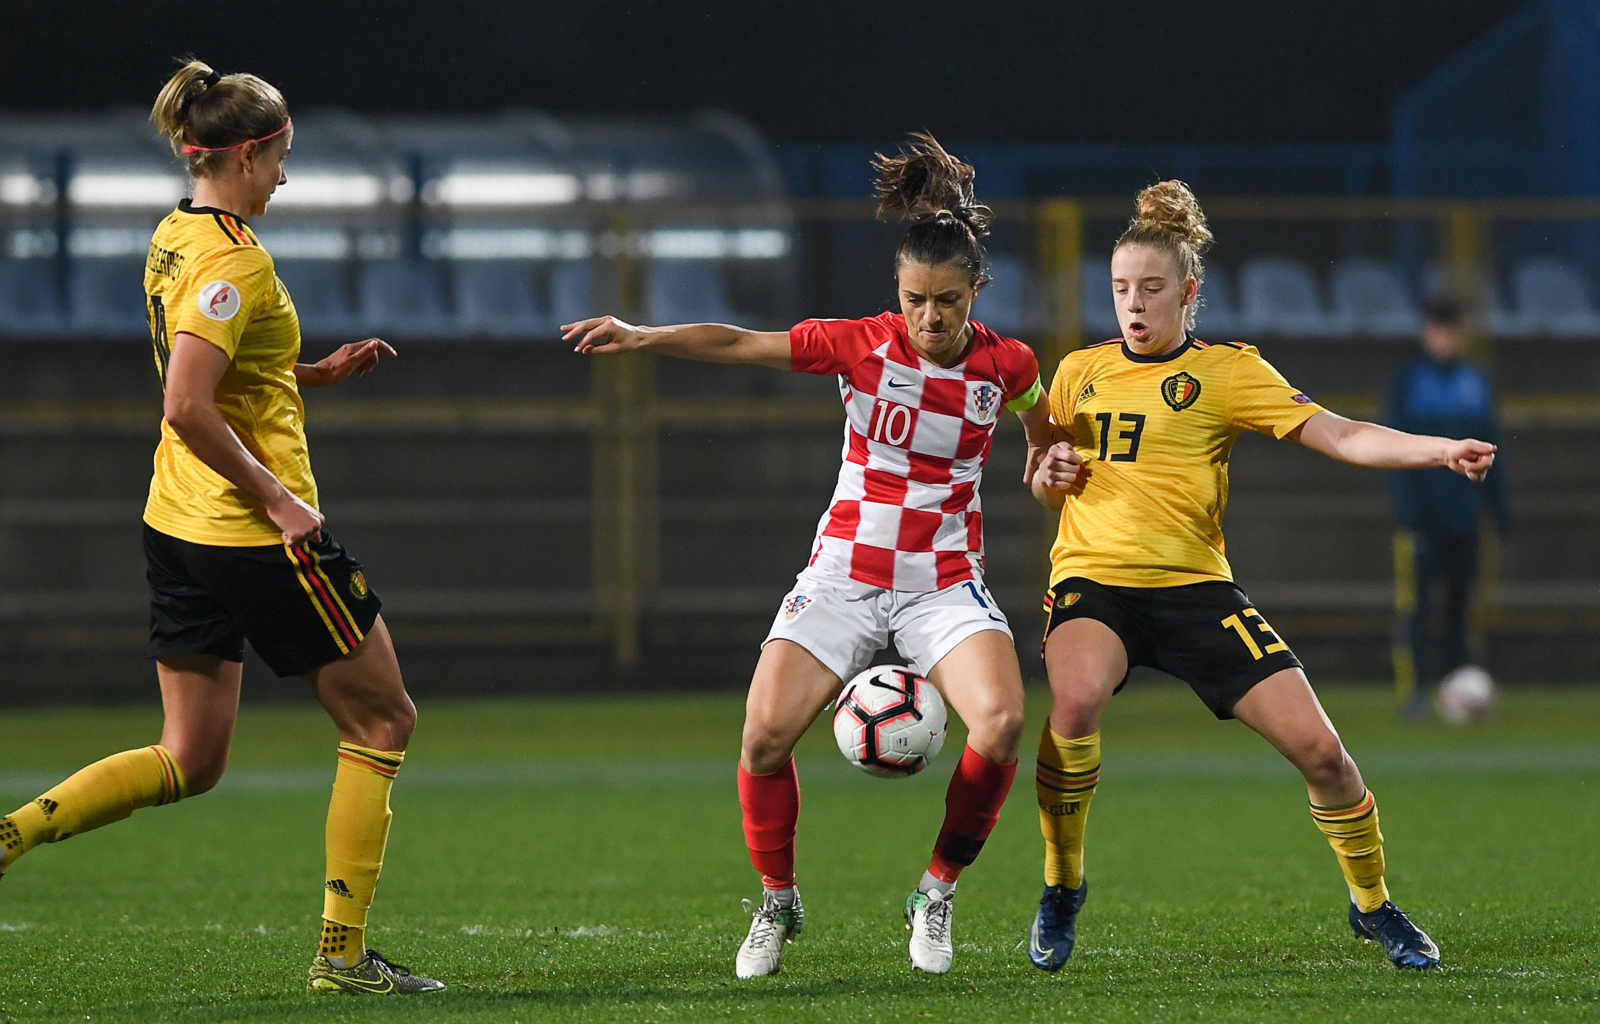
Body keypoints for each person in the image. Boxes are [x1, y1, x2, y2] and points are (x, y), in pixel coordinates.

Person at [0, 60, 443, 996]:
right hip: (252, 534)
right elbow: (187, 404)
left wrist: (311, 373)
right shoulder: (235, 260)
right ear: (244, 153)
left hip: (176, 526)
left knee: (189, 758)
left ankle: (12, 834)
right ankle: (342, 959)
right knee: (382, 716)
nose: (285, 175)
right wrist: (281, 501)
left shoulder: (178, 233)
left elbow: (218, 368)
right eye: (280, 158)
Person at [566, 133, 1053, 977]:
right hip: (844, 576)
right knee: (762, 736)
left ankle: (935, 893)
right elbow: (741, 343)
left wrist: (1049, 464)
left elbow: (1044, 439)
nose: (928, 318)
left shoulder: (1009, 366)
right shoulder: (860, 346)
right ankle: (778, 903)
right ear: (895, 291)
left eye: (945, 301)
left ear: (975, 290)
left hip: (943, 582)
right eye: (914, 299)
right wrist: (644, 335)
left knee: (1005, 722)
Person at [1026, 181, 1497, 973]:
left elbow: (1341, 436)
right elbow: (1041, 478)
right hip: (1094, 582)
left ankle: (1373, 904)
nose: (1133, 305)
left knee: (1323, 754)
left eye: (1150, 288)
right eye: (1118, 290)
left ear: (1188, 292)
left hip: (1197, 590)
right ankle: (1061, 886)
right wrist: (1053, 472)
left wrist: (1436, 448)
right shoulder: (1078, 370)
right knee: (1073, 704)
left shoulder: (1229, 372)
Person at [1386, 296, 1510, 719]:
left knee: (1461, 608)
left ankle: (1459, 688)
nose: (1446, 338)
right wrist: (1408, 514)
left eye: (1452, 329)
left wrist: (1498, 507)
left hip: (1465, 517)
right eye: (1439, 329)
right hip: (1422, 520)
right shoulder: (1410, 381)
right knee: (1417, 608)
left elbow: (1495, 446)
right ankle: (1414, 692)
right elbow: (1394, 453)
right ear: (1427, 333)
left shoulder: (1476, 381)